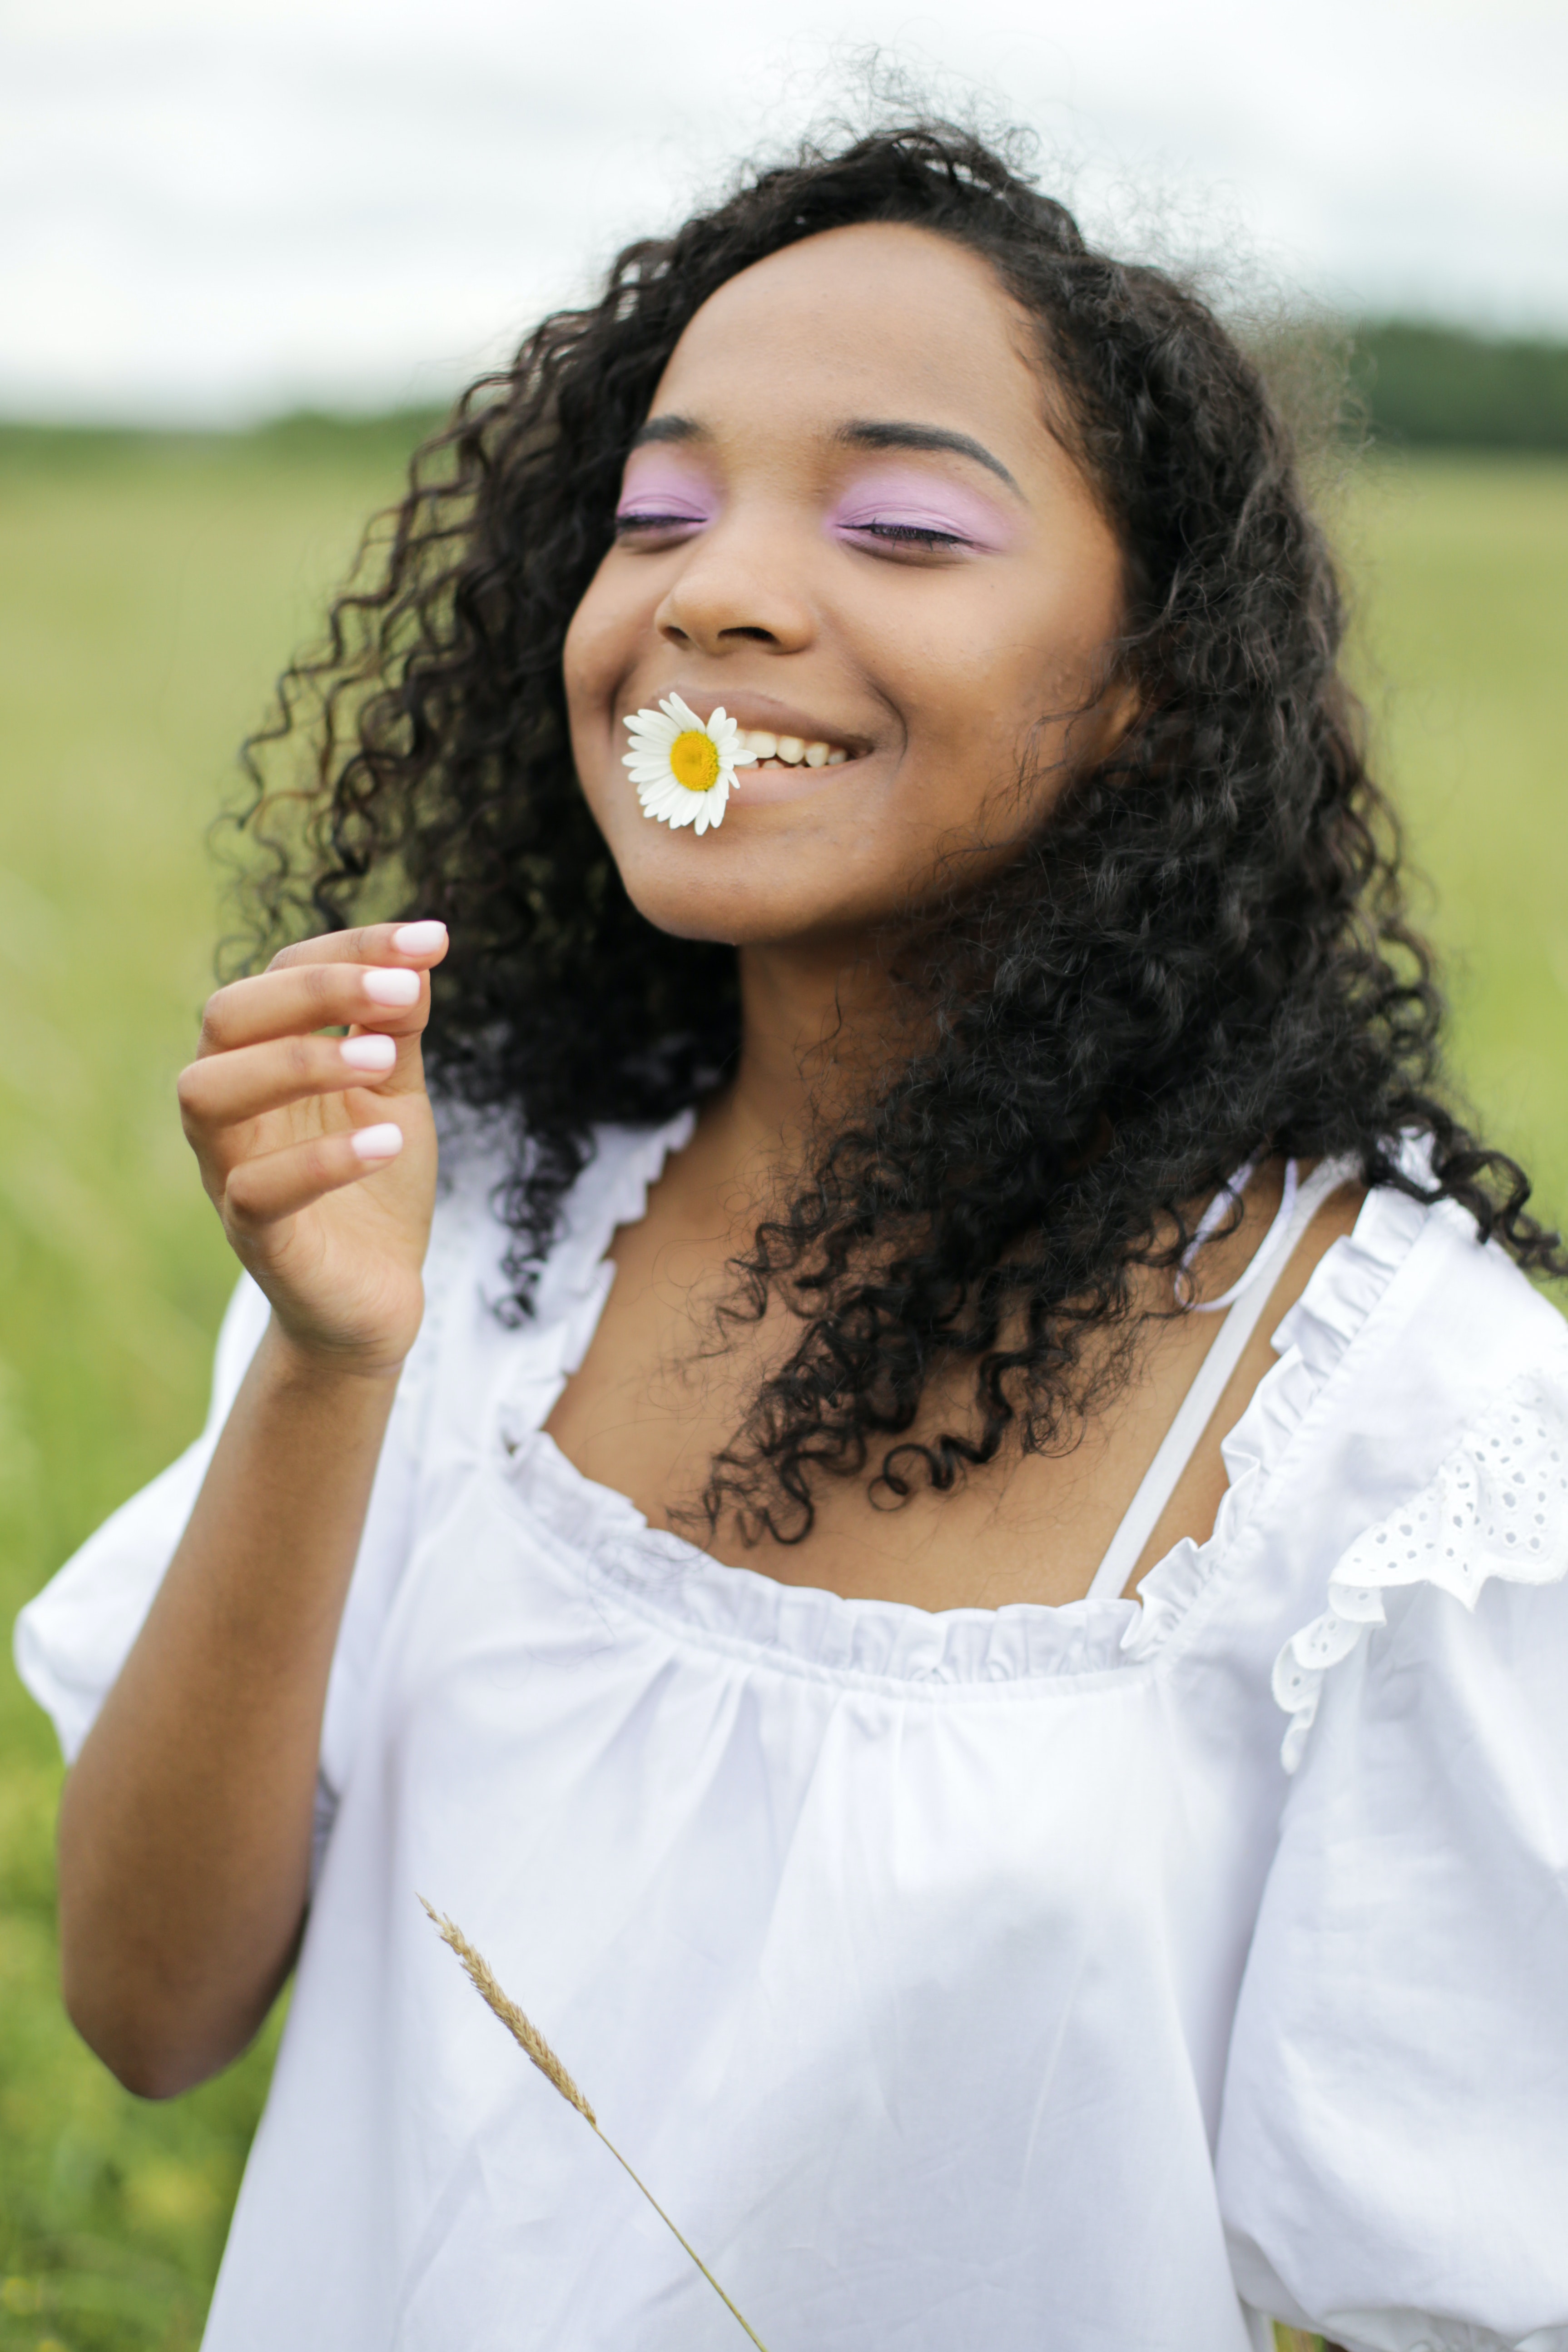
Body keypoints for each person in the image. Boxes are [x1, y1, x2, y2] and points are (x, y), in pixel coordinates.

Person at [15, 120, 1568, 2352]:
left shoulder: (1412, 1428)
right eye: (652, 512)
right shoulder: (470, 1217)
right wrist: (331, 1356)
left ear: (1146, 690)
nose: (711, 592)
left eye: (905, 525)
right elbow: (150, 2007)